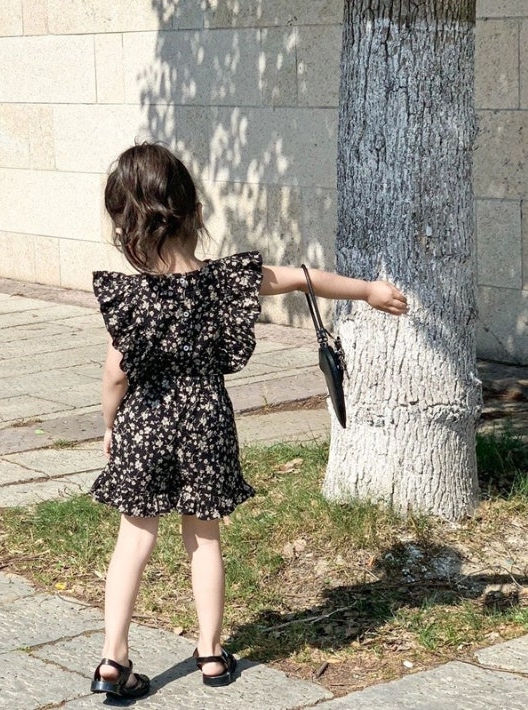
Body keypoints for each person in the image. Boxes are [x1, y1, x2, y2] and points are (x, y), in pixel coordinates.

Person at [89, 142, 408, 699]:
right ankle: (212, 653)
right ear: (195, 213)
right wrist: (370, 291)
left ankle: (113, 659)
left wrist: (111, 422)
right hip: (206, 420)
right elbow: (303, 277)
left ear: (125, 227)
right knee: (204, 537)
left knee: (133, 538)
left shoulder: (132, 297)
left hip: (144, 420)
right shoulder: (227, 280)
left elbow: (116, 374)